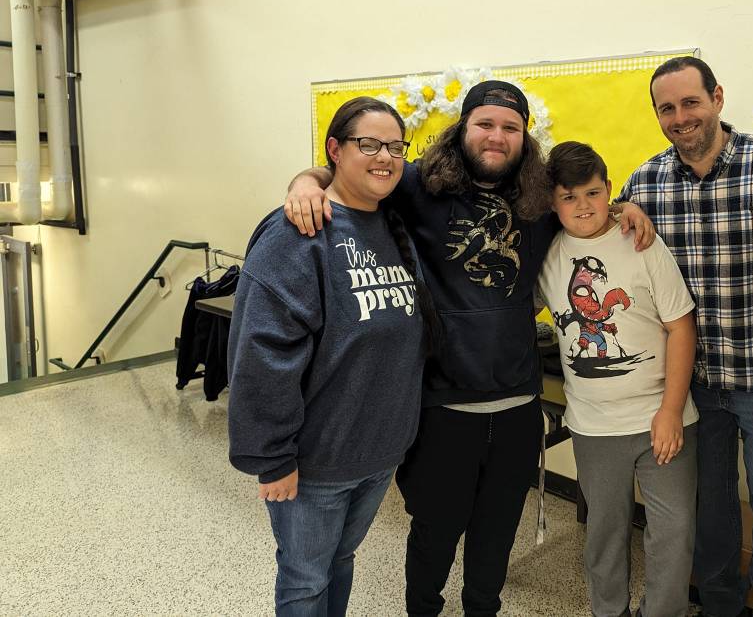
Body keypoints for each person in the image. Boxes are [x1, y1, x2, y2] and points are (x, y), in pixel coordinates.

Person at [283, 81, 654, 617]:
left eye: (510, 127)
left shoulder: (539, 199)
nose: (497, 136)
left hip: (517, 408)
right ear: (463, 129)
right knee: (434, 536)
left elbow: (589, 204)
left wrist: (625, 209)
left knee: (496, 536)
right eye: (486, 124)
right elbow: (355, 171)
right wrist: (304, 181)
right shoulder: (419, 186)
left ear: (524, 138)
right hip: (442, 409)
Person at [227, 96, 435, 615]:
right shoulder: (297, 234)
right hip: (315, 461)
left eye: (394, 146)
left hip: (377, 452)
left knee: (340, 562)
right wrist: (271, 458)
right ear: (335, 151)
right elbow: (261, 354)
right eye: (368, 144)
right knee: (304, 582)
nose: (384, 157)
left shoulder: (392, 224)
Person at [618, 57, 753, 617]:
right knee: (710, 513)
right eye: (667, 108)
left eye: (690, 102)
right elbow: (594, 227)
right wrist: (618, 207)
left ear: (718, 97)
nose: (680, 118)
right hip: (693, 387)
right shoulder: (646, 181)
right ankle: (722, 607)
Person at [535, 141, 699, 617]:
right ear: (553, 201)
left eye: (592, 194)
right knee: (604, 532)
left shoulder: (642, 243)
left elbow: (680, 325)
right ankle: (609, 611)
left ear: (609, 190)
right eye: (569, 197)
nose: (583, 207)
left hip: (662, 419)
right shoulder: (549, 254)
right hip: (594, 425)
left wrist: (670, 410)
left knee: (673, 530)